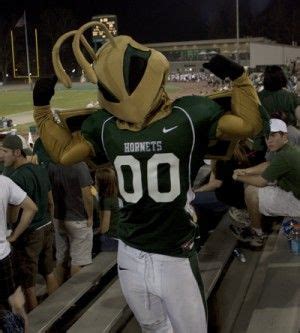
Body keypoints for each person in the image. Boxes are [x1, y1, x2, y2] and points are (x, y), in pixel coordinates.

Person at [32, 22, 267, 333]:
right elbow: (251, 124)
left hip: (165, 252)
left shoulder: (107, 125)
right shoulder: (187, 114)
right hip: (136, 250)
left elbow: (62, 153)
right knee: (155, 327)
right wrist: (241, 80)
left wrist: (42, 111)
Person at [1, 135, 58, 311]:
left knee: (28, 284)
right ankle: (58, 313)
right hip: (47, 226)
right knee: (49, 272)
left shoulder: (16, 177)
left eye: (4, 151)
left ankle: (38, 323)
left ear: (17, 152)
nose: (1, 156)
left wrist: (15, 233)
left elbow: (13, 216)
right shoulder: (39, 169)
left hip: (29, 233)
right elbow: (50, 201)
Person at [232, 119, 300, 247]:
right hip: (294, 191)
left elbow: (261, 182)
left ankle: (257, 233)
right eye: (266, 136)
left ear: (284, 136)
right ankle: (256, 217)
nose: (269, 140)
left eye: (273, 135)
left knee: (251, 191)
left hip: (297, 202)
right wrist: (246, 171)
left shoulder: (285, 155)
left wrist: (237, 176)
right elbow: (269, 164)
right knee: (254, 185)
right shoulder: (287, 148)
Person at [47, 161, 94, 284]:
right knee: (78, 261)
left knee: (61, 259)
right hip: (78, 219)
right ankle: (75, 299)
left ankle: (58, 296)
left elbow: (49, 191)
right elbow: (87, 194)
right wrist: (90, 216)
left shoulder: (52, 164)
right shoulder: (79, 165)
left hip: (58, 217)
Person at [0, 175, 37, 331]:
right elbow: (31, 207)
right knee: (16, 303)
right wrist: (14, 234)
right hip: (2, 255)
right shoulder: (3, 181)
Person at [259, 65, 300, 145]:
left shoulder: (257, 97)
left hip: (263, 142)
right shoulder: (290, 96)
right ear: (282, 77)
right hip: (288, 140)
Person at [94, 166, 119, 251]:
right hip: (118, 236)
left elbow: (105, 228)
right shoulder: (113, 197)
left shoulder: (106, 201)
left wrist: (95, 233)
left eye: (96, 182)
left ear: (102, 184)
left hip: (111, 239)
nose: (94, 184)